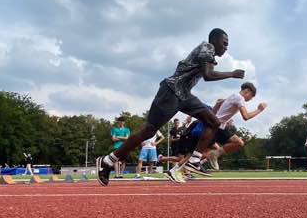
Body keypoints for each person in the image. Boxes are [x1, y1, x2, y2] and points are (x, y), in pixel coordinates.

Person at [96, 28, 245, 185]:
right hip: (171, 91)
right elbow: (208, 75)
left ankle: (194, 160)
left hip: (185, 95)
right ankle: (108, 160)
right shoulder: (207, 47)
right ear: (214, 40)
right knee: (148, 132)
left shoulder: (209, 54)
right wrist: (232, 73)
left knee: (214, 122)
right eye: (224, 43)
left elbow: (206, 72)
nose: (226, 47)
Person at [165, 82, 267, 182]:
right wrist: (259, 109)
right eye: (251, 97)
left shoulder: (232, 96)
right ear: (247, 91)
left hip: (219, 127)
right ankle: (177, 170)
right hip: (215, 128)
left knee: (234, 143)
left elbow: (215, 110)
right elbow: (246, 116)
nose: (250, 99)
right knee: (194, 156)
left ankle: (210, 156)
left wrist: (219, 110)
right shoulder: (239, 98)